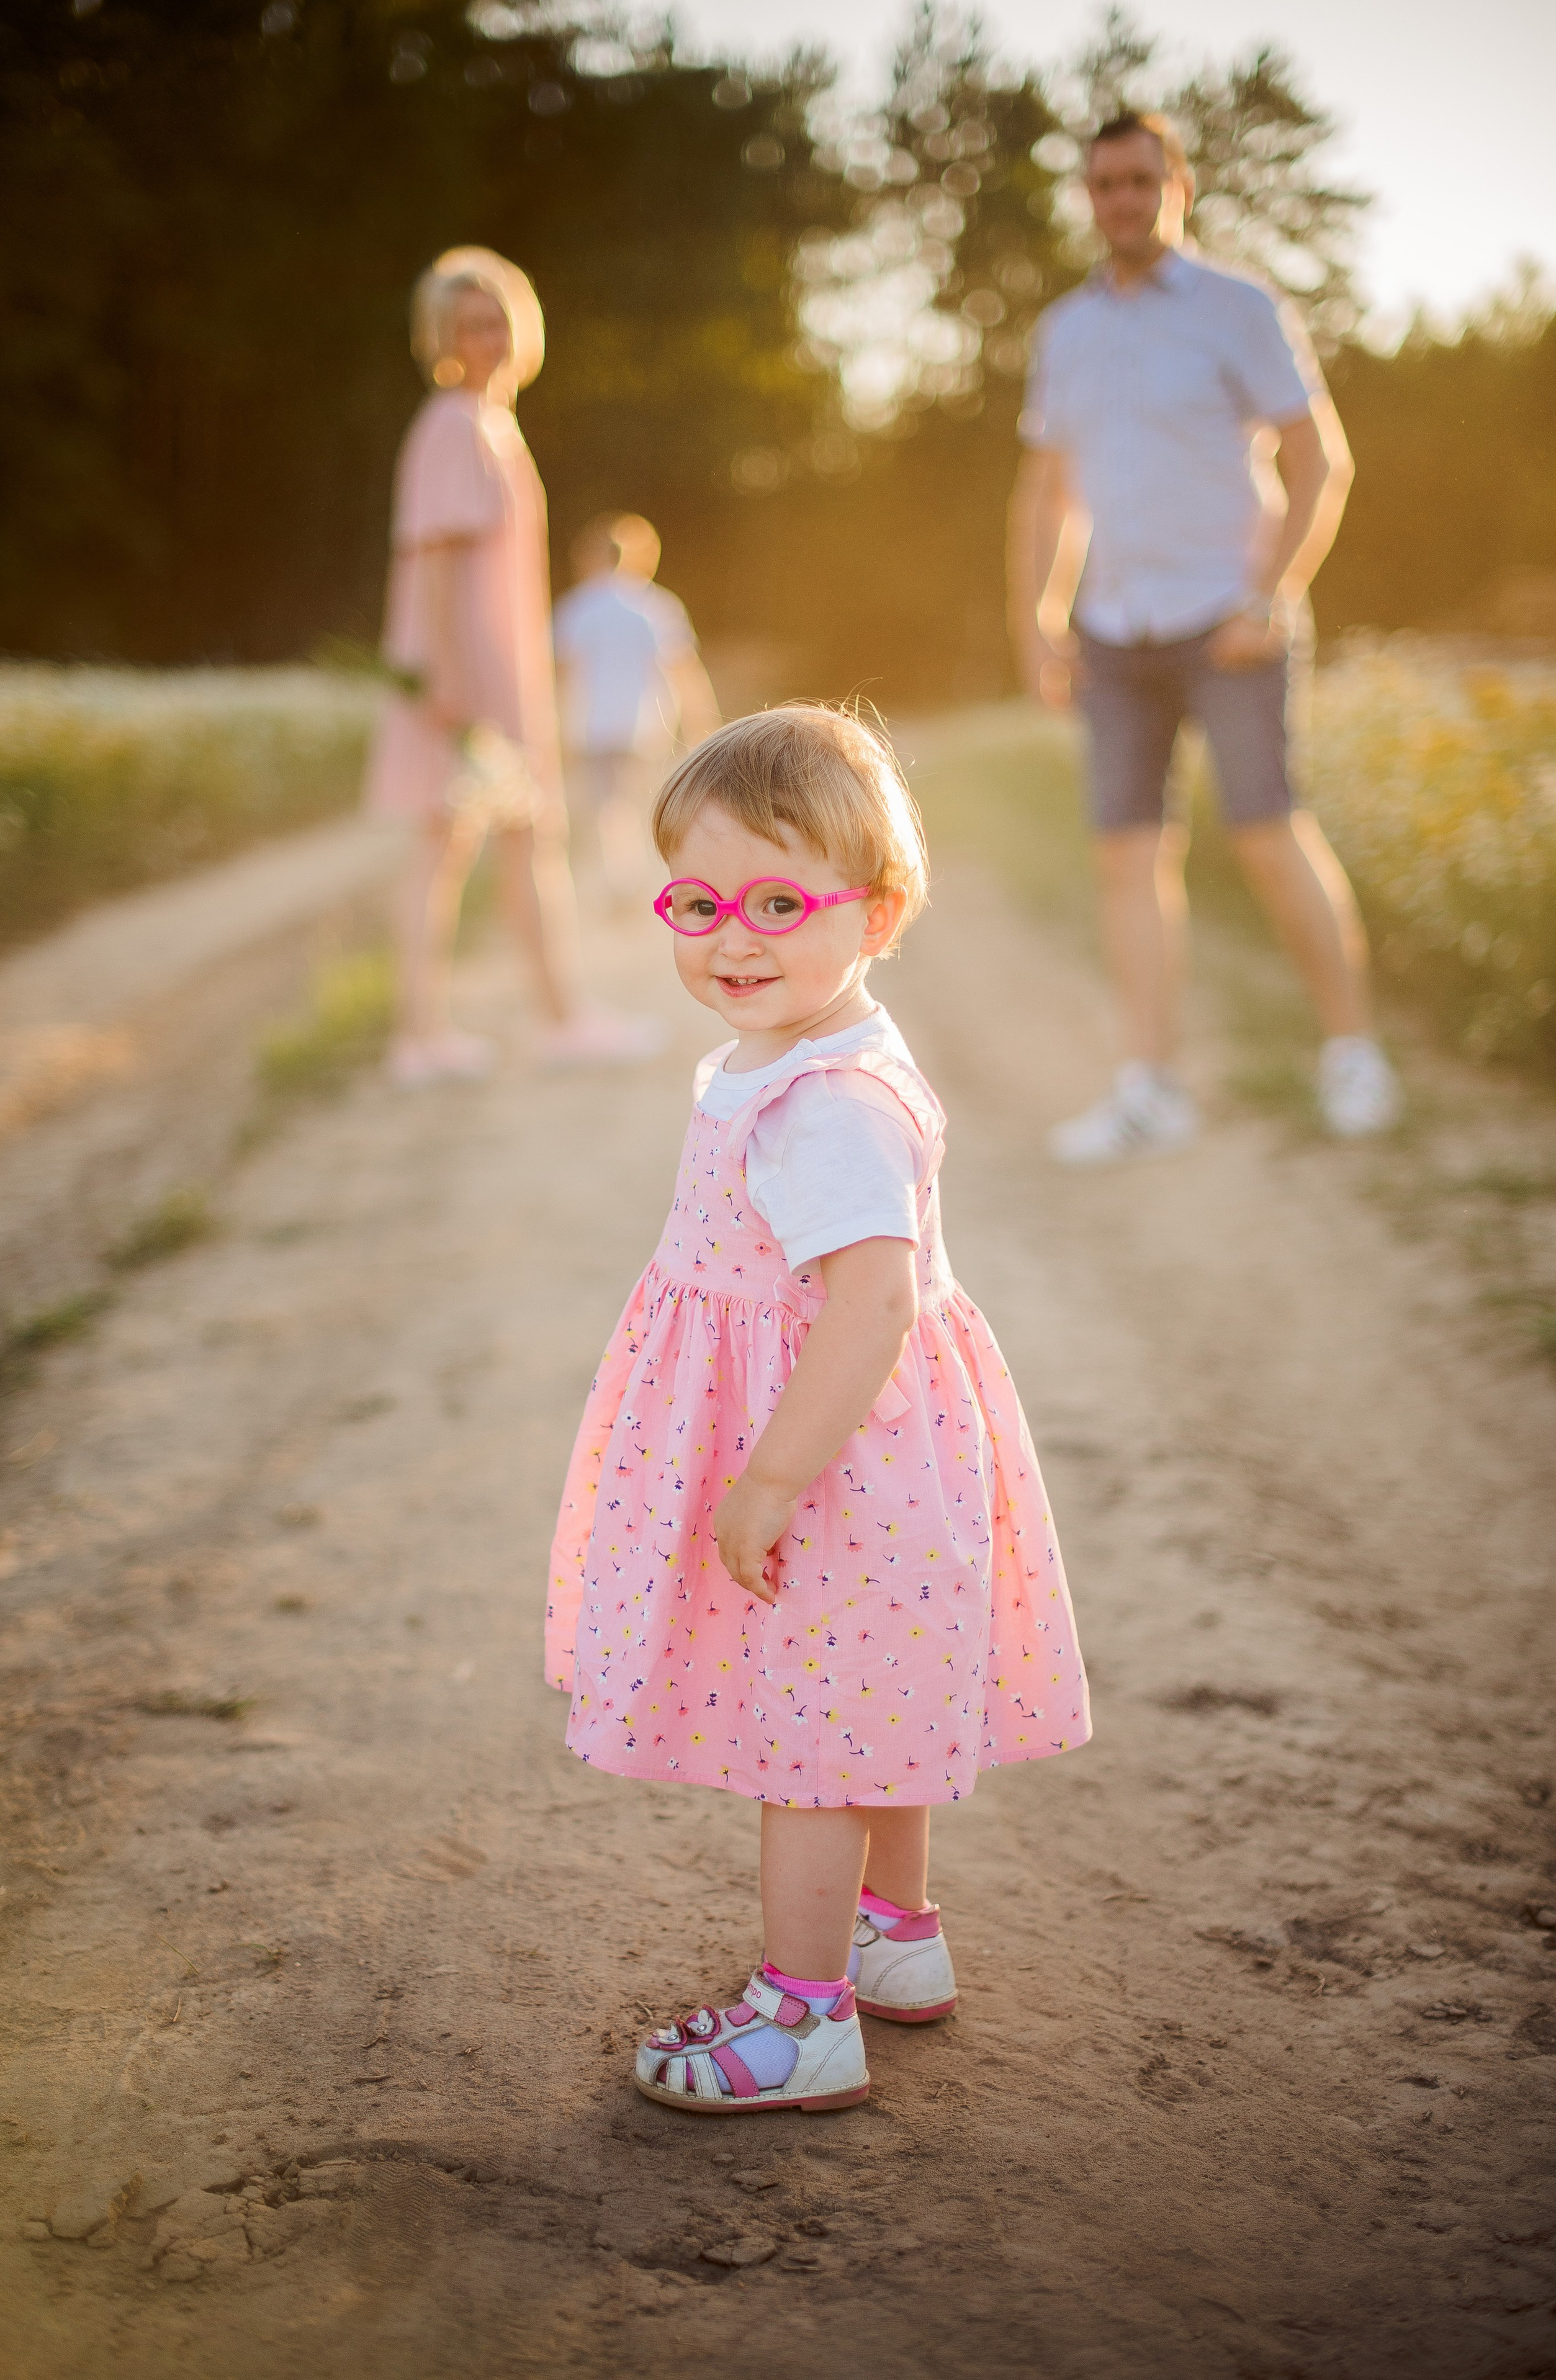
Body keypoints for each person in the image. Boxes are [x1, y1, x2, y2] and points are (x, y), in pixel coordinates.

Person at [545, 707, 1090, 2113]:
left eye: (781, 902)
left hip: (836, 1460)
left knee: (809, 1741)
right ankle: (890, 1936)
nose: (734, 934)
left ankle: (800, 2016)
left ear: (879, 910)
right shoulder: (784, 1055)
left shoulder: (826, 1104)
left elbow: (869, 1306)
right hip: (868, 1452)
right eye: (700, 900)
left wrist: (770, 1476)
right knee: (870, 1715)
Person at [1009, 112, 1401, 1160]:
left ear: (1178, 186)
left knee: (1269, 836)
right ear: (1087, 198)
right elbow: (1049, 493)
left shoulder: (1240, 308)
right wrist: (1041, 621)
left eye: (1140, 180)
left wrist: (1271, 595)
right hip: (1116, 634)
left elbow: (1323, 459)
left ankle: (1353, 1055)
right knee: (1127, 860)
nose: (1121, 201)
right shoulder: (1066, 332)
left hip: (1230, 623)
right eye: (1103, 185)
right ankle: (1151, 1088)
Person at [362, 246, 659, 1082]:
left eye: (497, 320)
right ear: (442, 337)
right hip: (465, 677)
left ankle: (536, 1018)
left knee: (498, 841)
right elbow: (439, 567)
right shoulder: (453, 423)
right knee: (454, 842)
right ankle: (432, 1036)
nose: (487, 338)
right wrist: (450, 685)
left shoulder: (491, 425)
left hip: (492, 671)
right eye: (469, 325)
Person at [552, 512, 722, 904]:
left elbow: (564, 675)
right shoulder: (656, 605)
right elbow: (684, 670)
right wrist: (703, 724)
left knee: (609, 806)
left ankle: (625, 880)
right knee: (638, 801)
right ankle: (647, 876)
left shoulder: (576, 608)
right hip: (648, 725)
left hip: (592, 726)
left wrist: (557, 729)